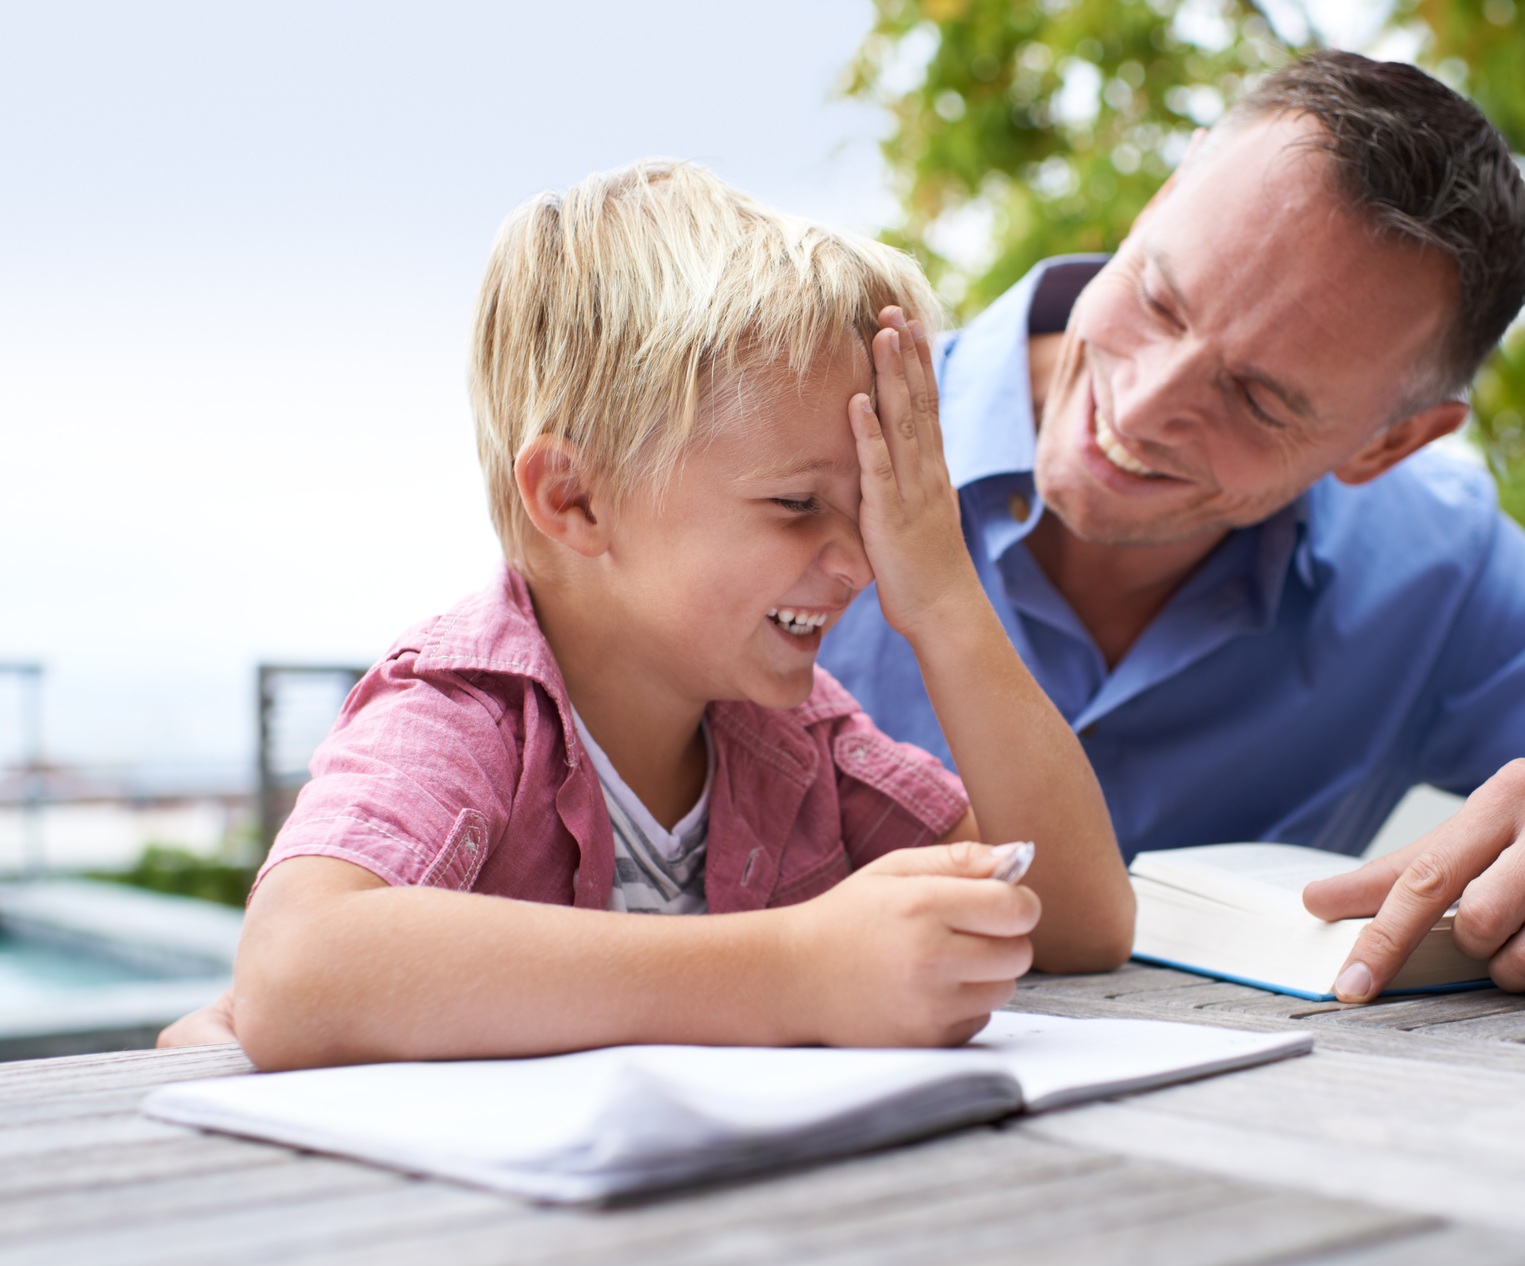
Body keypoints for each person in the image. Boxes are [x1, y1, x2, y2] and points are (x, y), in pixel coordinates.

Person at [819, 50, 1525, 1005]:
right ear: (1156, 203)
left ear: (1389, 443)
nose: (1144, 405)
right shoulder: (796, 438)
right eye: (1158, 298)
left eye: (1259, 398)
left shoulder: (1431, 568)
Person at [159, 160, 1132, 1067]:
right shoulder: (468, 716)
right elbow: (297, 964)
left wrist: (946, 597)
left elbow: (1076, 921)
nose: (860, 562)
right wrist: (794, 970)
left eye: (873, 511)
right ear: (575, 500)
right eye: (796, 503)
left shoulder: (801, 742)